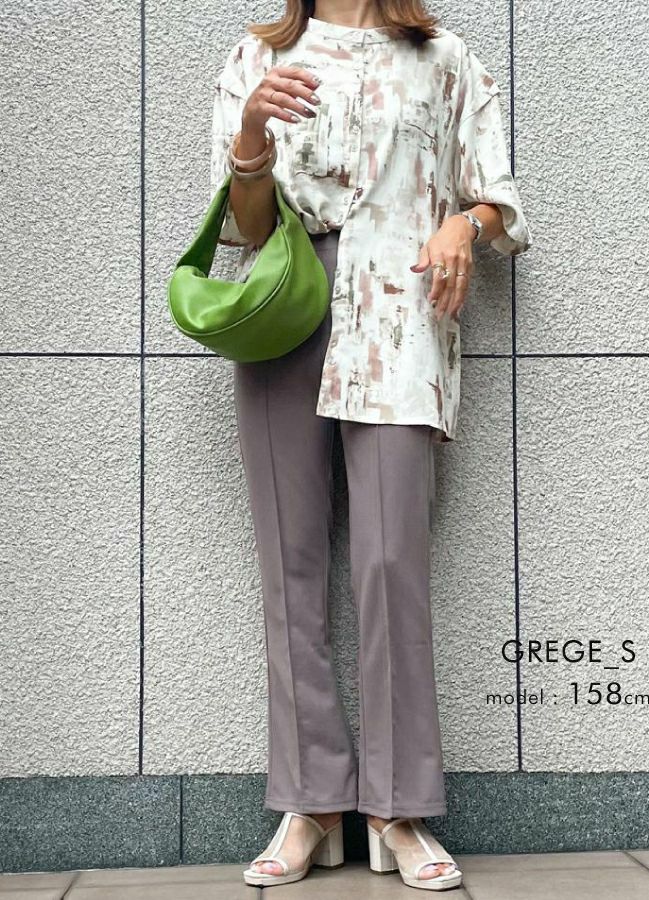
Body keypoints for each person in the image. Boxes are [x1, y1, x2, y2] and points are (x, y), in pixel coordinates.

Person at [210, 0, 532, 890]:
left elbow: (501, 200)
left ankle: (396, 807)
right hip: (286, 312)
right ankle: (312, 802)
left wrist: (464, 224)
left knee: (392, 565)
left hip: (400, 316)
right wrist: (251, 133)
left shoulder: (443, 57)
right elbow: (245, 226)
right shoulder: (258, 57)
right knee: (290, 567)